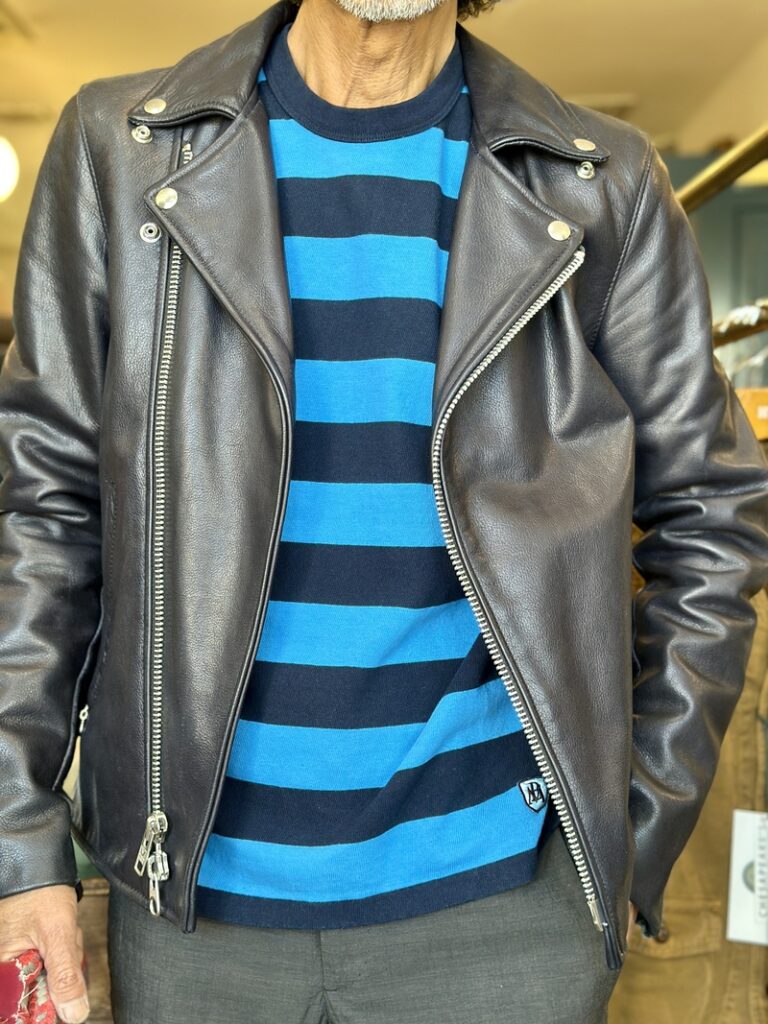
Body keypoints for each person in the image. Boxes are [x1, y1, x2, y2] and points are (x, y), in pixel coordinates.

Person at [1, 0, 767, 1021]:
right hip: (188, 917)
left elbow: (712, 511)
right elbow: (43, 512)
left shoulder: (601, 183)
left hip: (502, 917)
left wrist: (628, 830)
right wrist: (17, 841)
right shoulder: (119, 152)